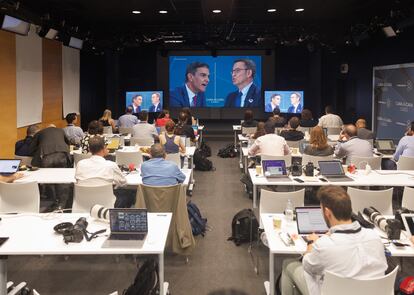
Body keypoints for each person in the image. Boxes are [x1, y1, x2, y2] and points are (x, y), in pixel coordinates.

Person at [281, 186, 387, 295]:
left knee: (289, 265)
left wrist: (311, 243)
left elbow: (308, 267)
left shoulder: (324, 245)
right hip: (372, 291)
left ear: (327, 212)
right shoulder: (374, 237)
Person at [75, 136, 135, 208]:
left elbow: (78, 180)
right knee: (130, 193)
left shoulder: (80, 164)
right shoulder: (111, 165)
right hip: (106, 203)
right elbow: (123, 183)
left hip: (82, 203)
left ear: (90, 150)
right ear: (103, 148)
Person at [29, 124, 71, 209]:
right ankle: (62, 203)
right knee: (61, 178)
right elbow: (68, 142)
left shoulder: (40, 132)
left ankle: (52, 202)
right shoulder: (61, 130)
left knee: (49, 179)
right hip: (62, 154)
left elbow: (31, 148)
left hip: (46, 155)